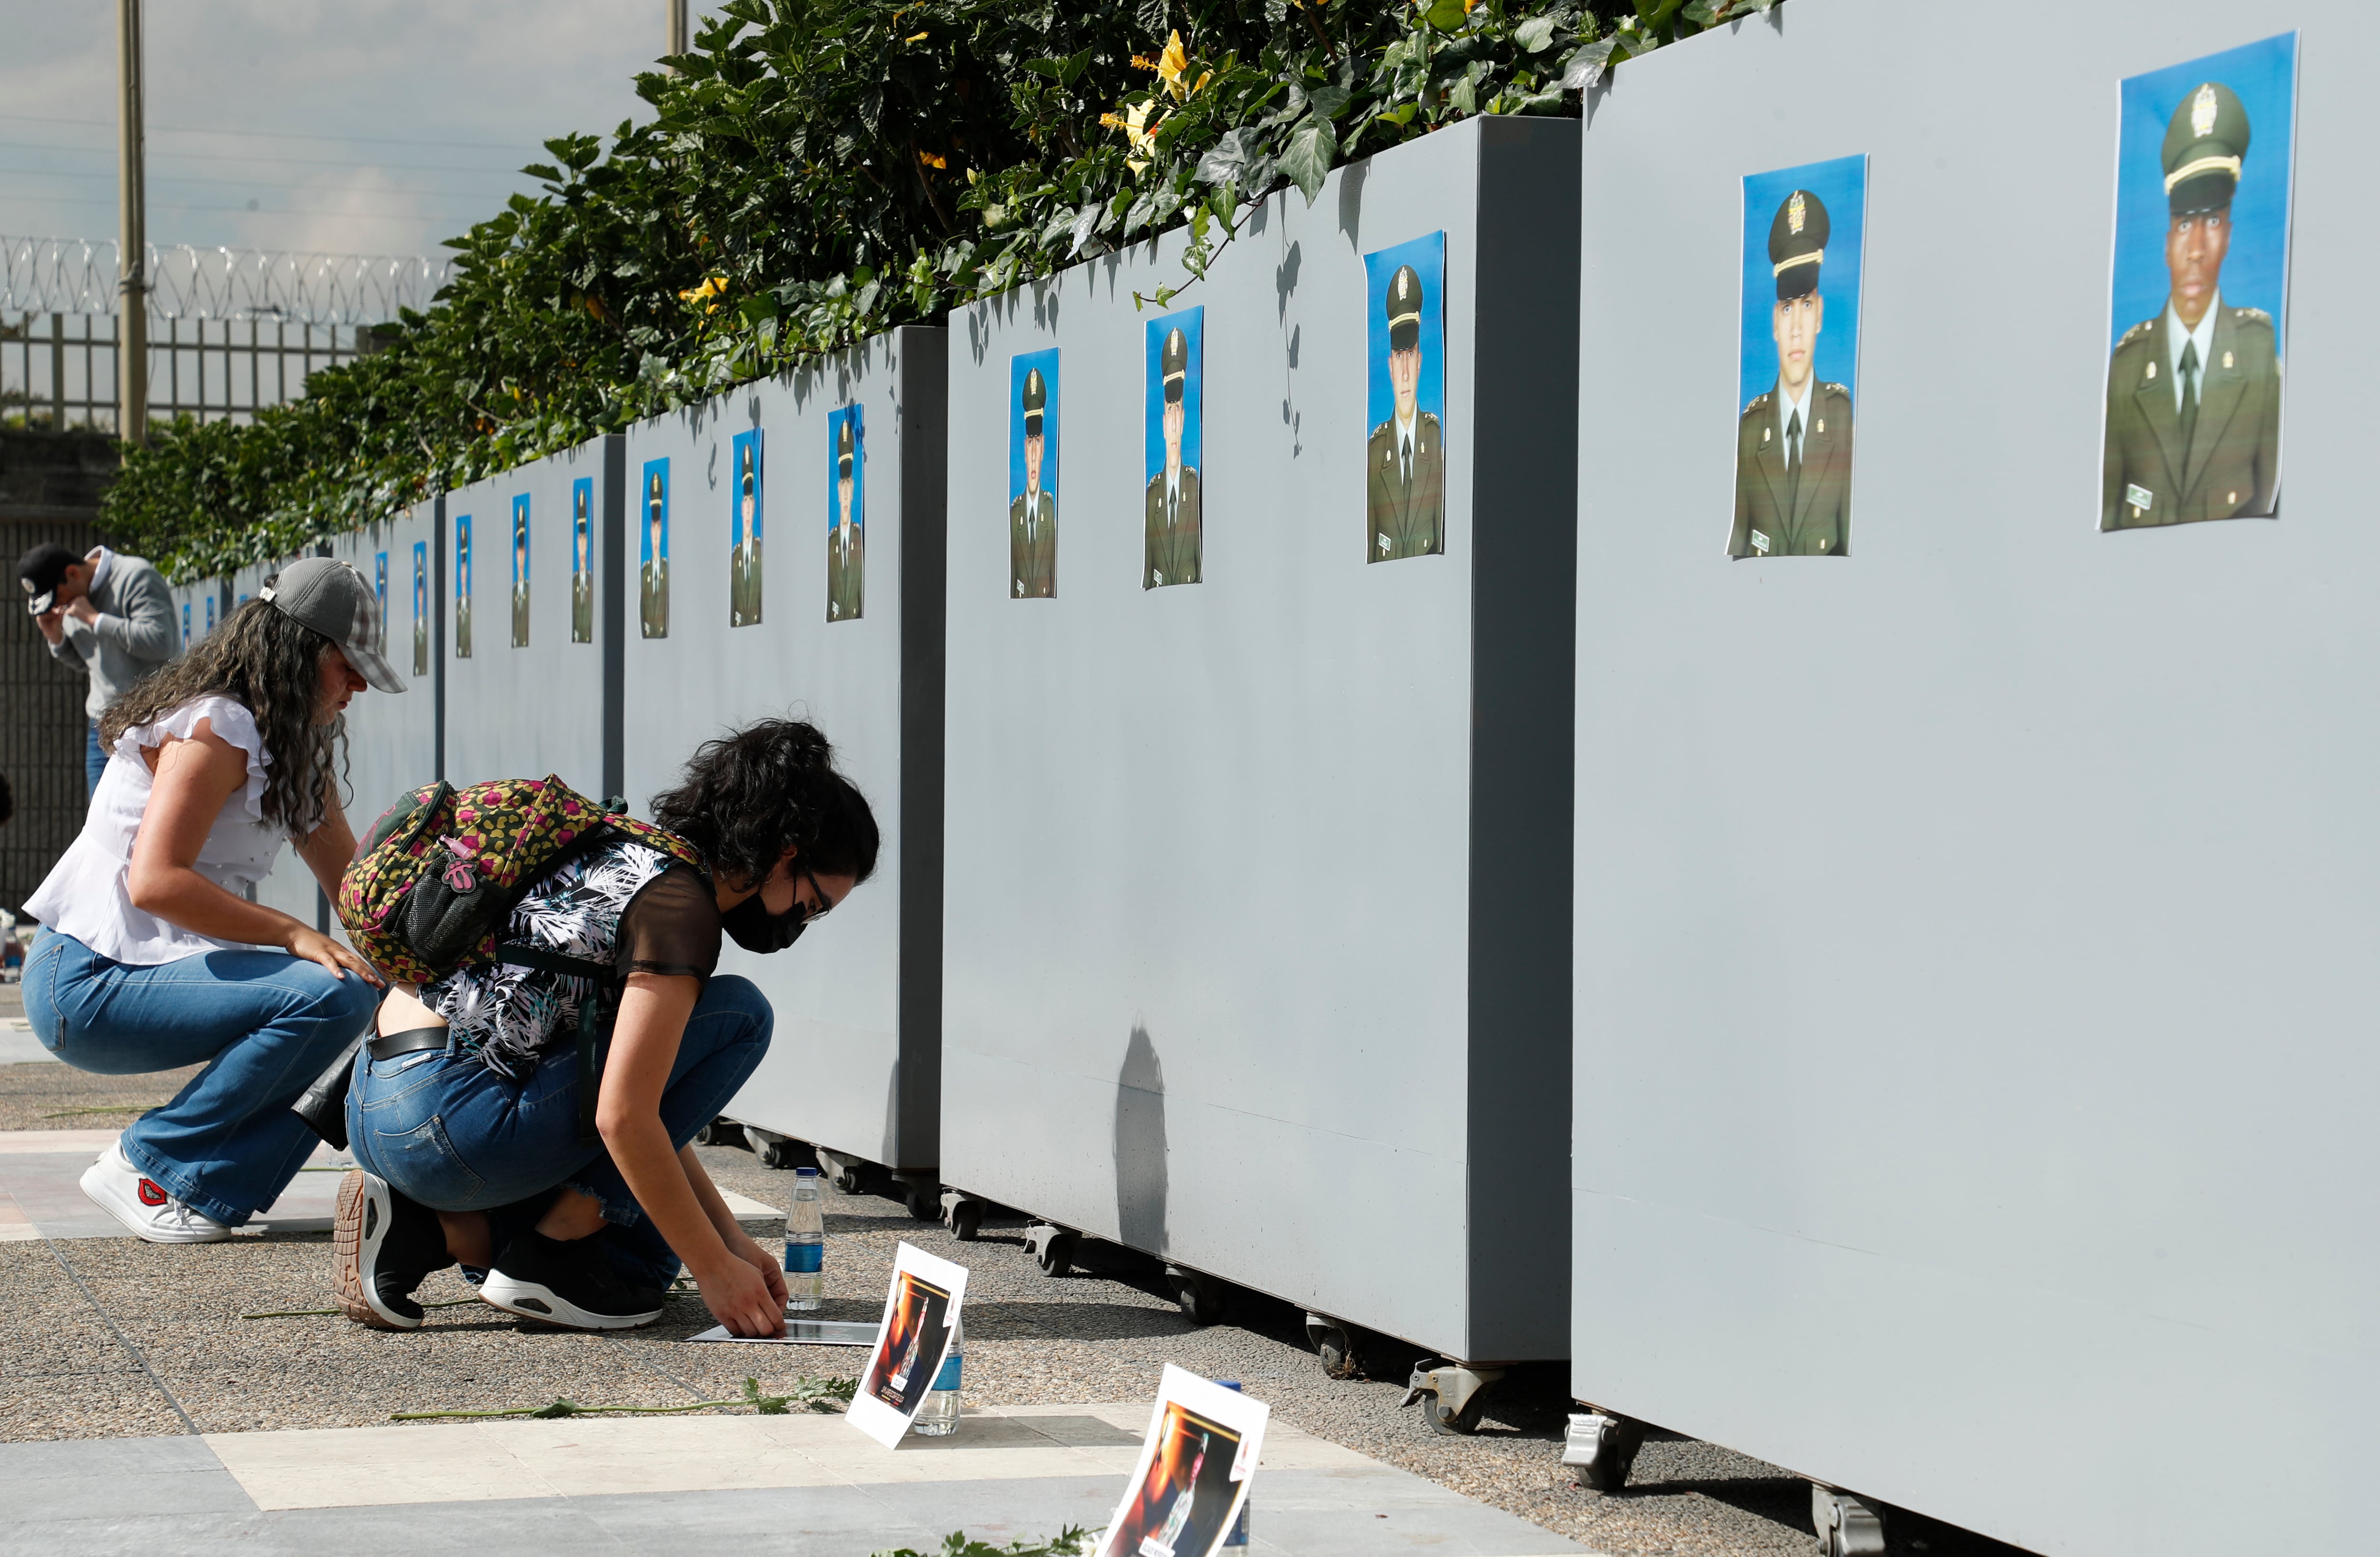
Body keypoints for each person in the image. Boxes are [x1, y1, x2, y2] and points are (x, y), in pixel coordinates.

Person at [335, 717, 878, 1337]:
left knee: (649, 1244)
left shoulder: (628, 851)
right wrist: (714, 1270)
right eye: (812, 904)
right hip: (446, 1128)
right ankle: (541, 1254)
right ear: (786, 854)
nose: (801, 923)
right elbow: (624, 1116)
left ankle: (423, 1231)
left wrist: (730, 1241)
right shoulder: (681, 910)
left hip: (375, 1104)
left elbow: (645, 1095)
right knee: (741, 1014)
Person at [20, 559, 402, 1242]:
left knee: (363, 992)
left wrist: (440, 974)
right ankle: (152, 1166)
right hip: (84, 978)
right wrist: (291, 933)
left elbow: (357, 890)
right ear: (299, 652)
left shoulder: (287, 744)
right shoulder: (215, 726)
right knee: (332, 995)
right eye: (348, 665)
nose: (360, 685)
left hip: (131, 973)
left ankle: (200, 1187)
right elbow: (155, 881)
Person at [2102, 81, 2281, 531]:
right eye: (2184, 225)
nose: (2197, 249)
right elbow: (2109, 517)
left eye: (2214, 220)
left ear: (2229, 238)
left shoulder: (2258, 355)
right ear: (2166, 245)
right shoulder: (2127, 369)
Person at [1731, 188, 1854, 558]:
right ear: (1774, 322)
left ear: (1820, 315)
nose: (1797, 328)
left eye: (1806, 305)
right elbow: (1739, 550)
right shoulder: (1750, 432)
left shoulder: (1842, 420)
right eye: (1787, 308)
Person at [19, 542, 178, 796]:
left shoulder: (135, 575)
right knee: (100, 818)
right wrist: (57, 640)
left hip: (152, 721)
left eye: (58, 598)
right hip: (102, 726)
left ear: (73, 573)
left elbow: (161, 642)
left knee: (150, 815)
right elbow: (92, 662)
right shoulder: (72, 600)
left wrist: (96, 620)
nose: (60, 605)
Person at [1366, 265, 1444, 562]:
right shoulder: (1376, 453)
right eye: (1399, 356)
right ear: (1390, 367)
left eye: (1410, 354)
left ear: (1420, 361)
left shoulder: (1435, 441)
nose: (1406, 373)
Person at [1145, 327, 1202, 589]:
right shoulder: (1152, 497)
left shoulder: (1194, 486)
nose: (1175, 420)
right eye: (1170, 410)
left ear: (1184, 419)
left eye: (1178, 409)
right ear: (1163, 423)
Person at [1010, 369, 1057, 598]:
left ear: (1044, 446)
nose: (1034, 453)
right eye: (1030, 442)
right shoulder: (1014, 514)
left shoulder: (1052, 511)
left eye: (1038, 442)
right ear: (1024, 447)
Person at [828, 420, 864, 621]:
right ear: (838, 489)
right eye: (843, 483)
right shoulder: (831, 544)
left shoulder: (860, 539)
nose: (845, 492)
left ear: (853, 489)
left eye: (848, 483)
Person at [731, 443, 762, 627]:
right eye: (745, 501)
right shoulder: (735, 558)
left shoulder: (761, 551)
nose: (748, 508)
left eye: (751, 500)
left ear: (754, 506)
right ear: (742, 508)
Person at [641, 472, 671, 637]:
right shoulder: (645, 572)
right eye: (653, 527)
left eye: (658, 526)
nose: (656, 535)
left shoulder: (668, 570)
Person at [571, 489, 595, 644]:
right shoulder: (574, 583)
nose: (582, 545)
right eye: (580, 540)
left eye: (584, 540)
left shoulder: (592, 581)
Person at [510, 508, 531, 648]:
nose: (521, 558)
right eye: (519, 553)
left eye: (523, 553)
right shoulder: (513, 592)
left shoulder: (529, 590)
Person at [454, 519, 474, 658]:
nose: (463, 574)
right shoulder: (457, 606)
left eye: (465, 567)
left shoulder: (472, 604)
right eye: (461, 568)